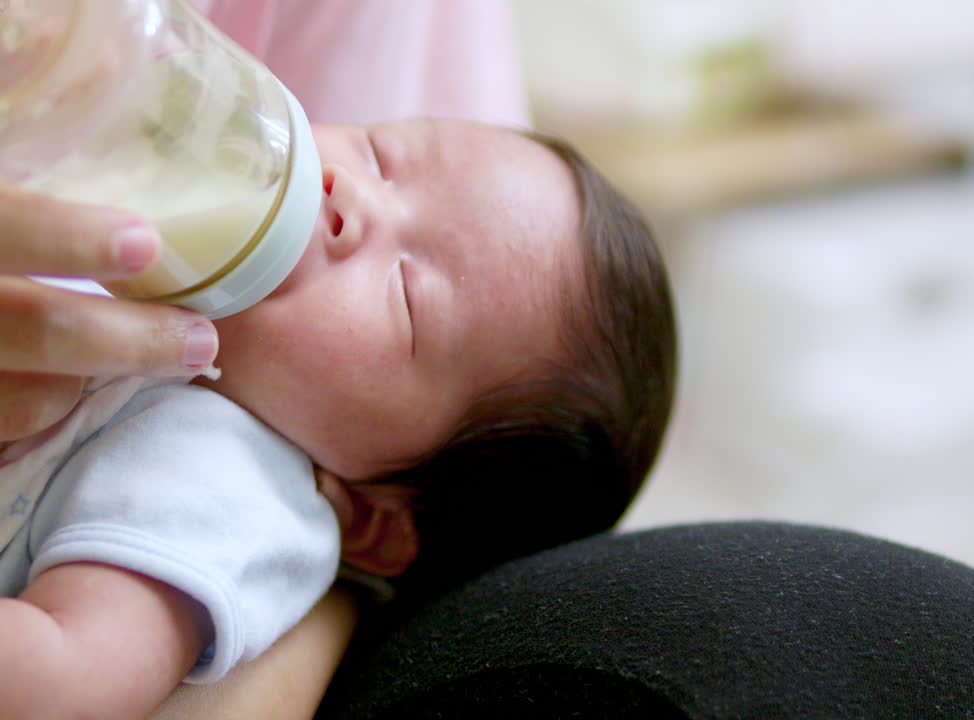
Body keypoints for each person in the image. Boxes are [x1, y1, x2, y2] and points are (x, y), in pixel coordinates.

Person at [0, 115, 677, 718]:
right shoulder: (150, 273)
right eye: (381, 153)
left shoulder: (229, 488)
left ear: (369, 520)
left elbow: (58, 681)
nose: (346, 193)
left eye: (406, 294)